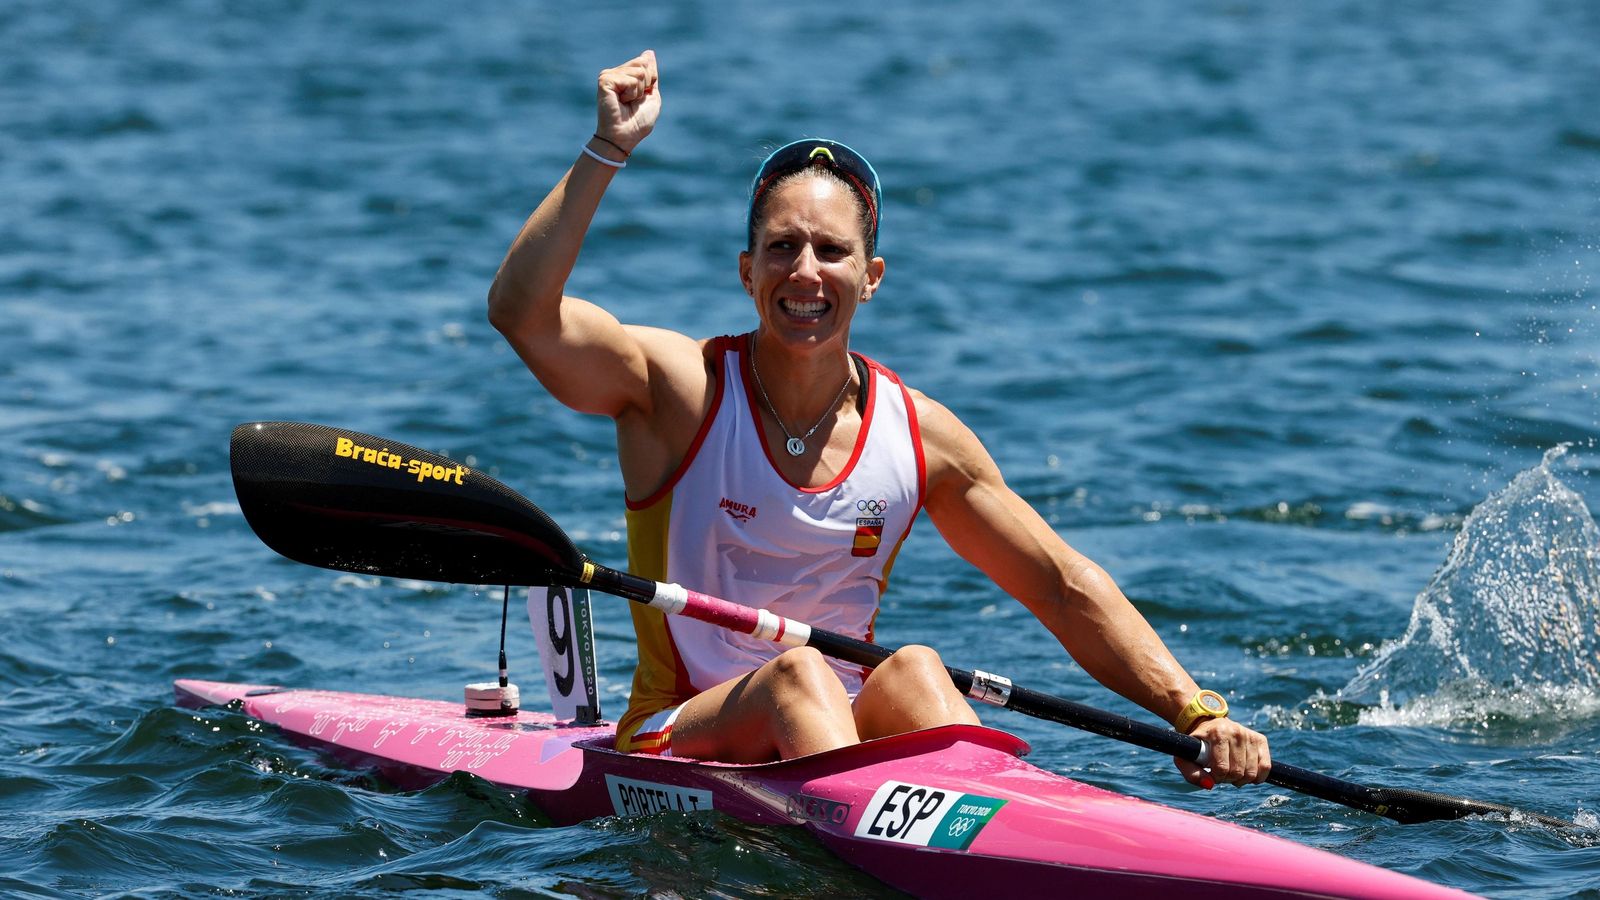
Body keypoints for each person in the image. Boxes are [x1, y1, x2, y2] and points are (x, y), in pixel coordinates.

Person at [488, 50, 1270, 790]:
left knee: (916, 667)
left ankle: (989, 831)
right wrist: (606, 147)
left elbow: (1061, 587)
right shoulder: (678, 389)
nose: (805, 272)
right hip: (674, 733)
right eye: (781, 247)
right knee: (796, 673)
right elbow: (523, 315)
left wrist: (1191, 708)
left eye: (832, 251)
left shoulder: (917, 434)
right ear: (746, 270)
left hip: (834, 729)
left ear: (870, 279)